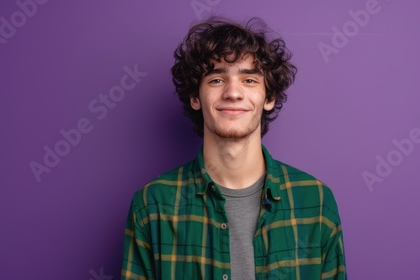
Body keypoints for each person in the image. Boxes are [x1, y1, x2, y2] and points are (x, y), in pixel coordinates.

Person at [121, 17, 347, 280]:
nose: (233, 93)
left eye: (249, 80)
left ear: (269, 98)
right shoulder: (152, 204)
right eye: (216, 79)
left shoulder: (316, 202)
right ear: (195, 97)